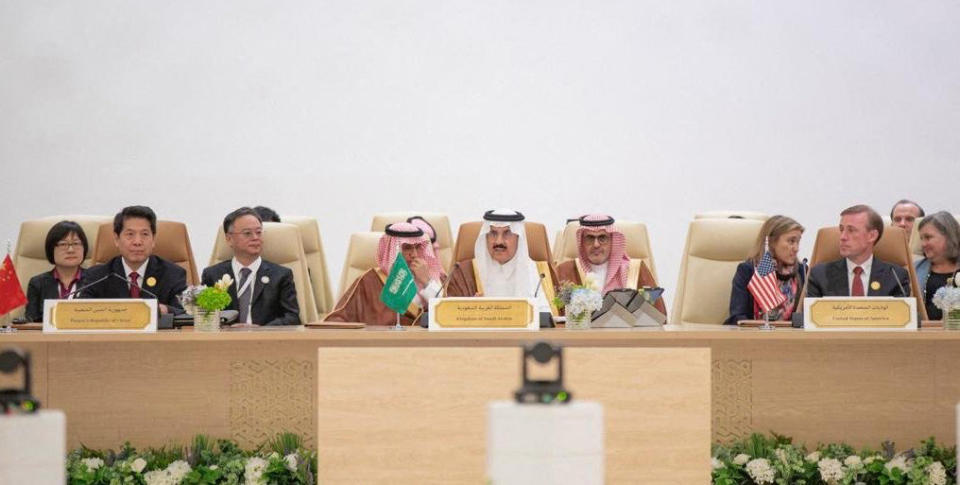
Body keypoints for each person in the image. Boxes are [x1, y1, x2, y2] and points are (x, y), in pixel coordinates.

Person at [325, 221, 445, 325]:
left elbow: (448, 313)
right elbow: (338, 318)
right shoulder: (370, 281)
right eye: (407, 247)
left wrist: (427, 282)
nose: (414, 254)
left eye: (418, 247)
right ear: (392, 250)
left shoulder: (431, 278)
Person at [201, 207, 300, 325]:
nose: (255, 238)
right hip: (227, 340)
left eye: (258, 232)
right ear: (229, 239)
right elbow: (204, 317)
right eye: (247, 233)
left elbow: (292, 317)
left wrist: (260, 331)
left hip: (264, 340)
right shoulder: (213, 275)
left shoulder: (281, 275)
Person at [81, 206, 187, 314]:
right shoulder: (97, 277)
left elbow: (185, 313)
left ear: (154, 239)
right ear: (117, 239)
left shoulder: (173, 274)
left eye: (144, 234)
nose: (137, 242)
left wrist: (166, 310)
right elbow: (80, 312)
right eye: (130, 234)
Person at [445, 210, 553, 312]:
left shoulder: (542, 273)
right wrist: (470, 310)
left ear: (519, 238)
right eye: (493, 233)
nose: (498, 241)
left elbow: (558, 319)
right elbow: (447, 314)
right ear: (485, 237)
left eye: (507, 233)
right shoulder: (464, 273)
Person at [554, 214, 665, 314]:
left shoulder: (635, 269)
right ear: (581, 242)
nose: (596, 244)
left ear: (613, 241)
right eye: (590, 238)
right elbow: (555, 316)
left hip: (626, 335)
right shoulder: (565, 271)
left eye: (602, 238)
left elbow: (659, 314)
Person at [807, 205, 910, 298]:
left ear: (872, 236)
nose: (842, 237)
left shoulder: (895, 277)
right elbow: (810, 317)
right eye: (841, 229)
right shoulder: (820, 275)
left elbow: (901, 316)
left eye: (851, 230)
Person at [726, 216, 806, 324]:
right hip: (753, 337)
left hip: (791, 338)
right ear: (772, 242)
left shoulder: (802, 272)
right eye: (791, 241)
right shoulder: (748, 271)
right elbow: (738, 317)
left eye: (798, 242)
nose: (796, 248)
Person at [24, 221, 90, 322]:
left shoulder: (95, 280)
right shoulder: (38, 284)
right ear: (51, 249)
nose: (71, 250)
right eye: (63, 244)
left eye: (76, 243)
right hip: (47, 337)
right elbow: (30, 322)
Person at [915, 211, 960, 320]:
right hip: (925, 333)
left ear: (949, 237)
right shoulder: (914, 269)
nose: (923, 244)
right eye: (921, 238)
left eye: (928, 237)